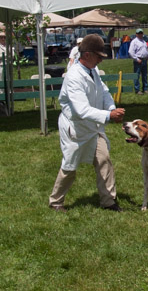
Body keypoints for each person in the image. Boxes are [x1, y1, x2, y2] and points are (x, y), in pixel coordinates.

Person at [48, 34, 125, 212]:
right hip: (76, 128)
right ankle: (56, 201)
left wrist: (111, 107)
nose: (101, 60)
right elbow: (81, 110)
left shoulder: (93, 70)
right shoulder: (74, 76)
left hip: (93, 126)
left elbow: (104, 91)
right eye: (99, 56)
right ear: (88, 54)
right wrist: (109, 116)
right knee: (70, 166)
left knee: (104, 159)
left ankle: (109, 201)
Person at [129, 29, 148, 95]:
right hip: (138, 61)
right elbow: (131, 52)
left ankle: (145, 89)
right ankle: (137, 90)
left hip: (144, 60)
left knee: (145, 76)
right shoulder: (134, 41)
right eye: (139, 33)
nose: (140, 34)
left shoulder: (143, 41)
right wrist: (136, 59)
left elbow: (146, 49)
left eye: (141, 33)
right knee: (137, 75)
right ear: (136, 34)